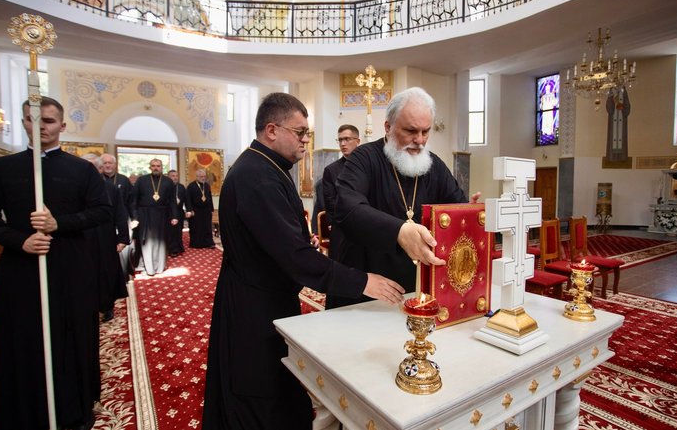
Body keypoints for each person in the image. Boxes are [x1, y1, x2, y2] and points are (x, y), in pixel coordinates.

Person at [201, 92, 404, 430]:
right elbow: (294, 258)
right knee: (260, 393)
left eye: (307, 133)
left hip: (266, 293)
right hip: (254, 305)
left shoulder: (266, 167)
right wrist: (362, 281)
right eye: (300, 132)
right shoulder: (258, 175)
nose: (306, 141)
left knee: (278, 387)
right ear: (271, 130)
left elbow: (279, 239)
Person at [0, 97, 112, 430]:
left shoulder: (80, 170)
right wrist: (18, 239)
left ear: (62, 126)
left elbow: (101, 211)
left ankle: (73, 407)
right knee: (23, 335)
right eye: (33, 120)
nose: (41, 127)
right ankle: (23, 408)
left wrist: (58, 224)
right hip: (22, 265)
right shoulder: (2, 169)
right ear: (23, 123)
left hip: (70, 266)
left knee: (71, 334)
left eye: (48, 121)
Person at [330, 87, 479, 309]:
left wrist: (467, 214)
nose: (419, 140)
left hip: (418, 286)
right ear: (388, 127)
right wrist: (399, 231)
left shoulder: (434, 165)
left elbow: (455, 204)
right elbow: (347, 208)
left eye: (425, 131)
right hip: (368, 288)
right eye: (411, 131)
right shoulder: (364, 158)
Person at [84, 154, 130, 322]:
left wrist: (123, 238)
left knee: (106, 272)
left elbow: (120, 213)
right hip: (80, 237)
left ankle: (107, 306)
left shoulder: (111, 189)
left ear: (100, 169)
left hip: (104, 236)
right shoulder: (75, 188)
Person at [130, 159, 179, 276]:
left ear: (162, 167)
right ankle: (149, 268)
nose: (156, 168)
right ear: (150, 167)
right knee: (147, 242)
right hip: (144, 215)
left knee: (161, 242)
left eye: (158, 166)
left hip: (163, 214)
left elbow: (172, 201)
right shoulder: (141, 180)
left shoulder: (168, 181)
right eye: (153, 166)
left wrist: (174, 216)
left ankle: (159, 267)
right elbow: (134, 201)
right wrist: (135, 217)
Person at [321, 124, 361, 260]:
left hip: (365, 226)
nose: (343, 144)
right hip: (341, 228)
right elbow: (330, 200)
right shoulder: (331, 170)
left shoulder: (367, 166)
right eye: (340, 140)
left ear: (358, 141)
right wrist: (333, 224)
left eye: (347, 139)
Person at [186, 169, 216, 248]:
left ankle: (209, 243)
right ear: (197, 177)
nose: (203, 178)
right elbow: (188, 199)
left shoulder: (206, 185)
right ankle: (197, 243)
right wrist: (190, 210)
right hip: (195, 210)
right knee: (196, 227)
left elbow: (209, 197)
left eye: (204, 176)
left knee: (207, 227)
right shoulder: (191, 186)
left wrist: (212, 209)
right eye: (201, 176)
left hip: (206, 210)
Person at [167, 169, 191, 256]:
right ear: (168, 176)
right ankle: (170, 249)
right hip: (168, 213)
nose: (175, 178)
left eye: (176, 176)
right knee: (170, 231)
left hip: (179, 212)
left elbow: (186, 199)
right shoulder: (165, 186)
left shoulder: (181, 187)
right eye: (173, 176)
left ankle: (177, 248)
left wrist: (189, 209)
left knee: (178, 231)